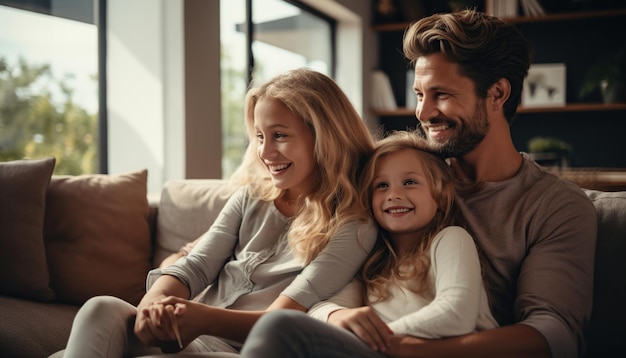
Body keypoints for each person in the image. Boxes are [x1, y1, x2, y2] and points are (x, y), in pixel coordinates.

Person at [244, 9, 597, 358]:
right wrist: (338, 316)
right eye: (419, 94)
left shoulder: (554, 205)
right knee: (279, 329)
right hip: (374, 344)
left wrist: (409, 348)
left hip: (430, 346)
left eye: (441, 94)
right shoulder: (396, 184)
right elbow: (339, 278)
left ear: (498, 94)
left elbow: (554, 334)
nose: (423, 112)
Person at [57, 68, 378, 357]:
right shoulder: (251, 197)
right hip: (190, 332)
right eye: (260, 137)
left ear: (324, 137)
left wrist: (198, 319)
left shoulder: (354, 225)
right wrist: (152, 308)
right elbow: (195, 267)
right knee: (100, 309)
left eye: (279, 135)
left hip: (239, 347)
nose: (265, 152)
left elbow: (283, 320)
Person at [240, 130, 499, 358]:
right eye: (382, 186)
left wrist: (378, 337)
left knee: (279, 326)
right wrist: (336, 315)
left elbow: (456, 315)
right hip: (383, 349)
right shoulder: (375, 263)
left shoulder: (451, 239)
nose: (394, 194)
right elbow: (320, 308)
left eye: (409, 182)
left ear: (440, 195)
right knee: (282, 326)